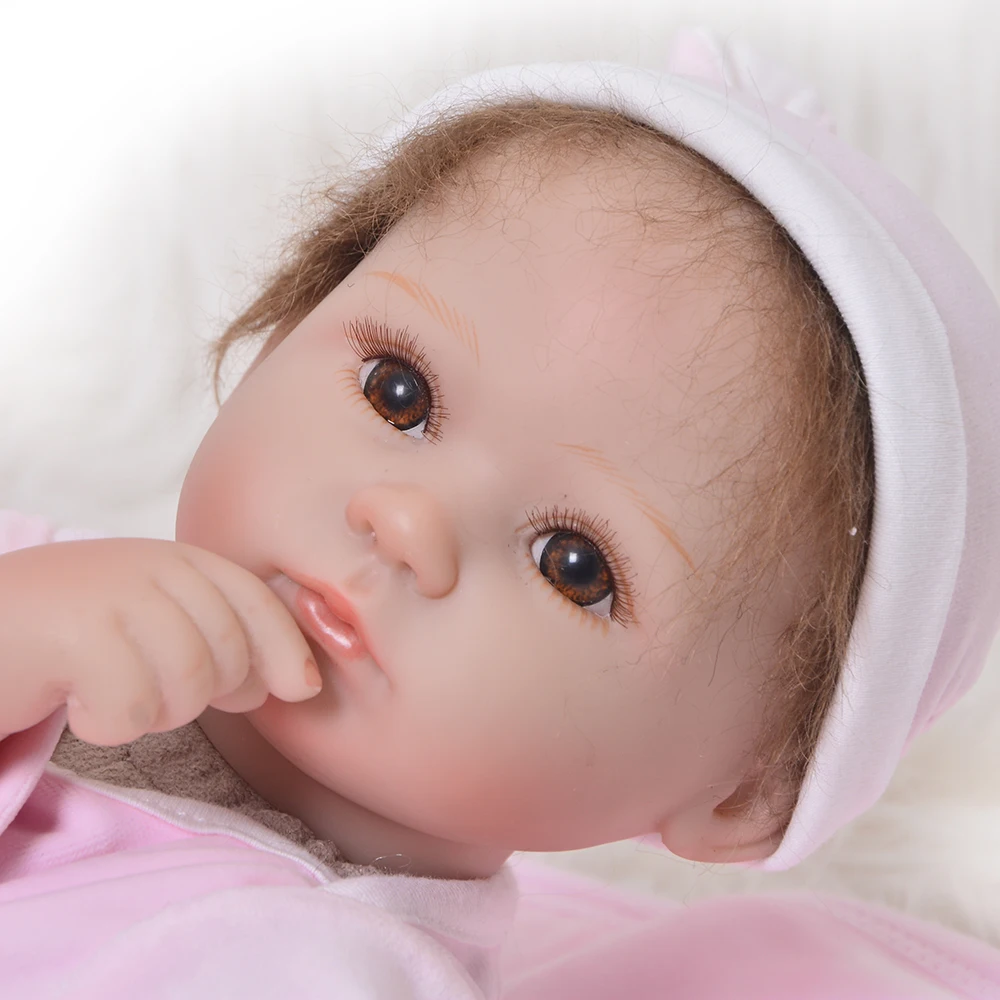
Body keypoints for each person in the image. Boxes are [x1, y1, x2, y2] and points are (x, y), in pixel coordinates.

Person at [1, 27, 999, 1000]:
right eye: (399, 393)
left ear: (746, 791)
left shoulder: (306, 965)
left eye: (573, 563)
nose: (408, 522)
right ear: (285, 330)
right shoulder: (48, 591)